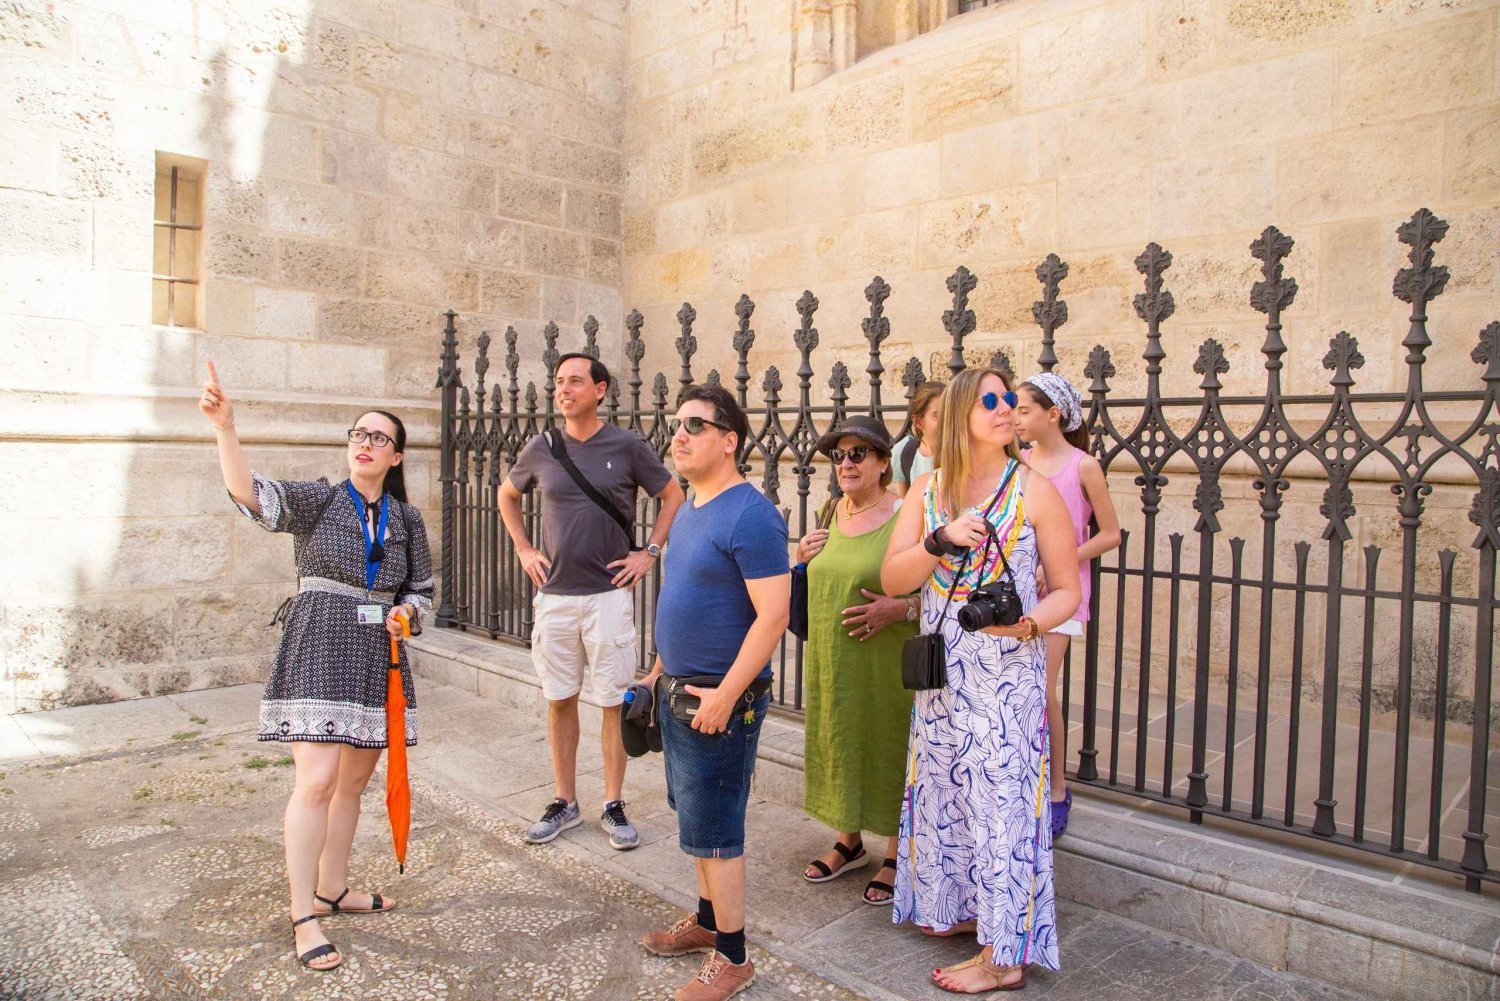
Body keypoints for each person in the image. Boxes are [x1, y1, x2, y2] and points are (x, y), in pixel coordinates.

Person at [199, 359, 434, 973]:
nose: (366, 443)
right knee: (317, 781)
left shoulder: (407, 520)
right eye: (359, 433)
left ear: (397, 457)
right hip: (320, 645)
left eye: (380, 437)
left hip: (377, 656)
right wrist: (228, 430)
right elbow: (251, 495)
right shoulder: (320, 500)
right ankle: (303, 914)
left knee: (353, 782)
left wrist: (407, 614)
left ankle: (332, 889)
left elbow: (424, 591)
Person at [881, 367, 1082, 994]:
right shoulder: (929, 492)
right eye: (991, 400)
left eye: (1010, 402)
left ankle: (1004, 956)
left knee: (1001, 807)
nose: (1005, 410)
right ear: (965, 412)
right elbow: (893, 579)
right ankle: (965, 911)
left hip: (1005, 674)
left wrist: (1026, 625)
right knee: (947, 795)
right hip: (944, 674)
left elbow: (1068, 592)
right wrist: (940, 540)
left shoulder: (1036, 491)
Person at [639, 383, 789, 1001]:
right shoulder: (696, 506)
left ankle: (733, 957)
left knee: (718, 829)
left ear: (729, 441)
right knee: (696, 819)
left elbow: (773, 615)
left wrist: (727, 694)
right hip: (679, 690)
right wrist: (656, 668)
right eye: (677, 424)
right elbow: (686, 598)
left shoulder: (752, 514)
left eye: (695, 425)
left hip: (720, 700)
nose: (680, 434)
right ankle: (707, 921)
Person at [499, 353, 685, 850]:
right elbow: (506, 495)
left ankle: (612, 803)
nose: (564, 389)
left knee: (610, 702)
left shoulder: (626, 446)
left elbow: (672, 495)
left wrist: (649, 553)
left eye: (575, 381)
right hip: (555, 596)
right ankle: (564, 801)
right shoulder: (541, 447)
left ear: (600, 389)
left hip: (608, 596)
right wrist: (524, 547)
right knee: (559, 699)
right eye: (559, 382)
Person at [795, 415, 916, 906]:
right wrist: (801, 557)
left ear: (884, 463)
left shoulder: (907, 513)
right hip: (833, 661)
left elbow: (942, 591)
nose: (845, 463)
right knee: (841, 736)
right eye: (838, 455)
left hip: (887, 663)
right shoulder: (830, 510)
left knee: (888, 741)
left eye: (857, 454)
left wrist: (900, 608)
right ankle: (849, 842)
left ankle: (894, 852)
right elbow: (815, 574)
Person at [1013, 373, 1120, 838]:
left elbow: (1111, 534)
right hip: (1019, 591)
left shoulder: (1083, 467)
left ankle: (1056, 788)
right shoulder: (1020, 462)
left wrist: (1062, 558)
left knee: (1042, 690)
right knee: (1019, 691)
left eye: (1023, 409)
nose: (1014, 417)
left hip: (1062, 592)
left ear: (1051, 414)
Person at [891, 380, 945, 499]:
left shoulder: (963, 453)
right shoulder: (905, 453)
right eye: (937, 415)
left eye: (950, 413)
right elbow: (904, 504)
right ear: (918, 422)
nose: (946, 420)